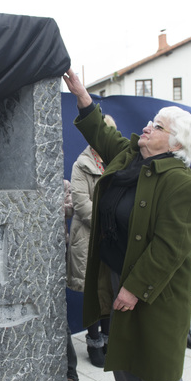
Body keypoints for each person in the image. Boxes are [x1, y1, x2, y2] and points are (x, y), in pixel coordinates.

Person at [63, 68, 191, 381]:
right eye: (150, 122)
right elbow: (102, 135)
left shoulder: (184, 184)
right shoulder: (131, 156)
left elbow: (170, 247)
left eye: (157, 126)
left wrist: (134, 289)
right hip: (115, 276)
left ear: (175, 143)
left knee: (158, 369)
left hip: (156, 290)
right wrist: (82, 97)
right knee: (124, 359)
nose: (147, 128)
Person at [67, 115, 117, 367]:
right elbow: (80, 202)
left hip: (113, 237)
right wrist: (109, 225)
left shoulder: (119, 161)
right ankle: (94, 341)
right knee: (92, 293)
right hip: (88, 236)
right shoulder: (82, 164)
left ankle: (110, 340)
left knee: (109, 288)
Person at [63, 179, 80, 381]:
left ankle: (69, 379)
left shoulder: (61, 182)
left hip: (54, 252)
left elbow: (72, 207)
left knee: (59, 321)